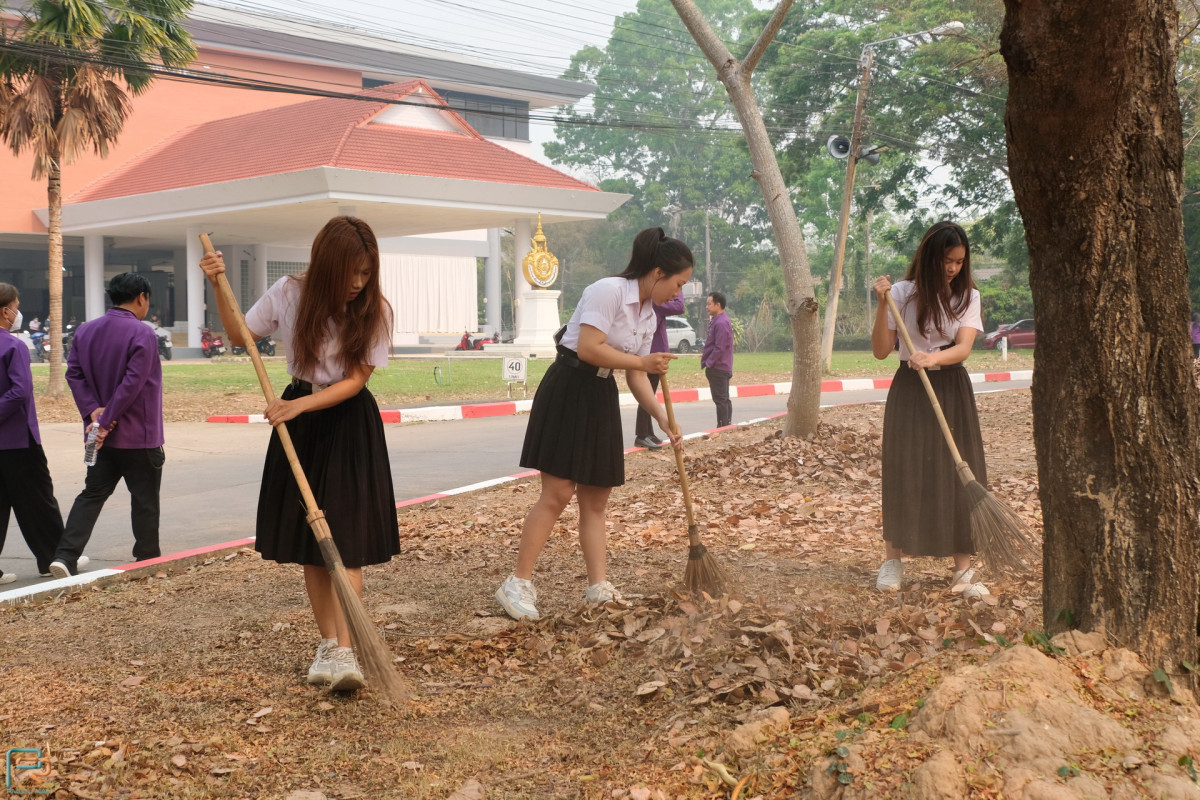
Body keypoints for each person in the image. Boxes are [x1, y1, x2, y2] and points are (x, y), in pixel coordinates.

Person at [200, 216, 398, 692]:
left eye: (366, 272)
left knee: (346, 539)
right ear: (326, 264)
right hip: (300, 425)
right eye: (350, 272)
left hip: (346, 421)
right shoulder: (290, 293)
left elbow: (356, 381)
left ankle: (347, 650)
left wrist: (298, 406)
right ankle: (328, 644)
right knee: (314, 540)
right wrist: (217, 284)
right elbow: (240, 335)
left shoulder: (375, 309)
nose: (358, 282)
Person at [495, 227, 691, 621]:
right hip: (569, 386)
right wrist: (641, 361)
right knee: (558, 491)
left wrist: (663, 418)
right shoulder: (609, 291)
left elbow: (637, 376)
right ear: (658, 273)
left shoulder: (648, 315)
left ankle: (597, 588)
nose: (678, 293)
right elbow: (588, 348)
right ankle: (517, 583)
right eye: (678, 283)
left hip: (601, 394)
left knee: (597, 497)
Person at [870, 220, 989, 599]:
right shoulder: (901, 294)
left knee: (959, 469)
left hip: (951, 388)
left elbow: (963, 348)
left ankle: (962, 568)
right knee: (903, 468)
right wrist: (882, 304)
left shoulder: (968, 296)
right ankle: (892, 560)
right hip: (910, 389)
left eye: (959, 261)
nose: (952, 268)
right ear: (929, 257)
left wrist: (931, 358)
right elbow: (881, 350)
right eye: (946, 260)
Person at [49, 273, 164, 579]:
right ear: (141, 297)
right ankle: (147, 560)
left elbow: (74, 374)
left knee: (92, 494)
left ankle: (65, 556)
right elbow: (133, 383)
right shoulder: (143, 333)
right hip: (139, 434)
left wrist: (93, 414)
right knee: (145, 500)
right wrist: (106, 419)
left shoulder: (85, 330)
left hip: (98, 437)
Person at [0, 284, 67, 584]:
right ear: (6, 311)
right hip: (18, 438)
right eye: (16, 306)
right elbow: (19, 392)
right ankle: (53, 558)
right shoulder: (14, 346)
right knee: (39, 500)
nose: (18, 312)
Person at [632, 289, 685, 450]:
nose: (674, 293)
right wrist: (679, 290)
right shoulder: (656, 301)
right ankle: (642, 434)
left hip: (654, 352)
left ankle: (647, 432)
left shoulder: (652, 304)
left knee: (650, 393)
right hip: (651, 355)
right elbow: (680, 307)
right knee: (646, 394)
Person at [700, 292, 733, 429]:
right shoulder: (719, 320)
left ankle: (723, 427)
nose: (706, 307)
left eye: (709, 304)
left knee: (721, 400)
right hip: (721, 366)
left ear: (718, 305)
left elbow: (719, 347)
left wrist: (710, 363)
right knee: (723, 399)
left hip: (718, 367)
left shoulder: (721, 322)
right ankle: (726, 425)